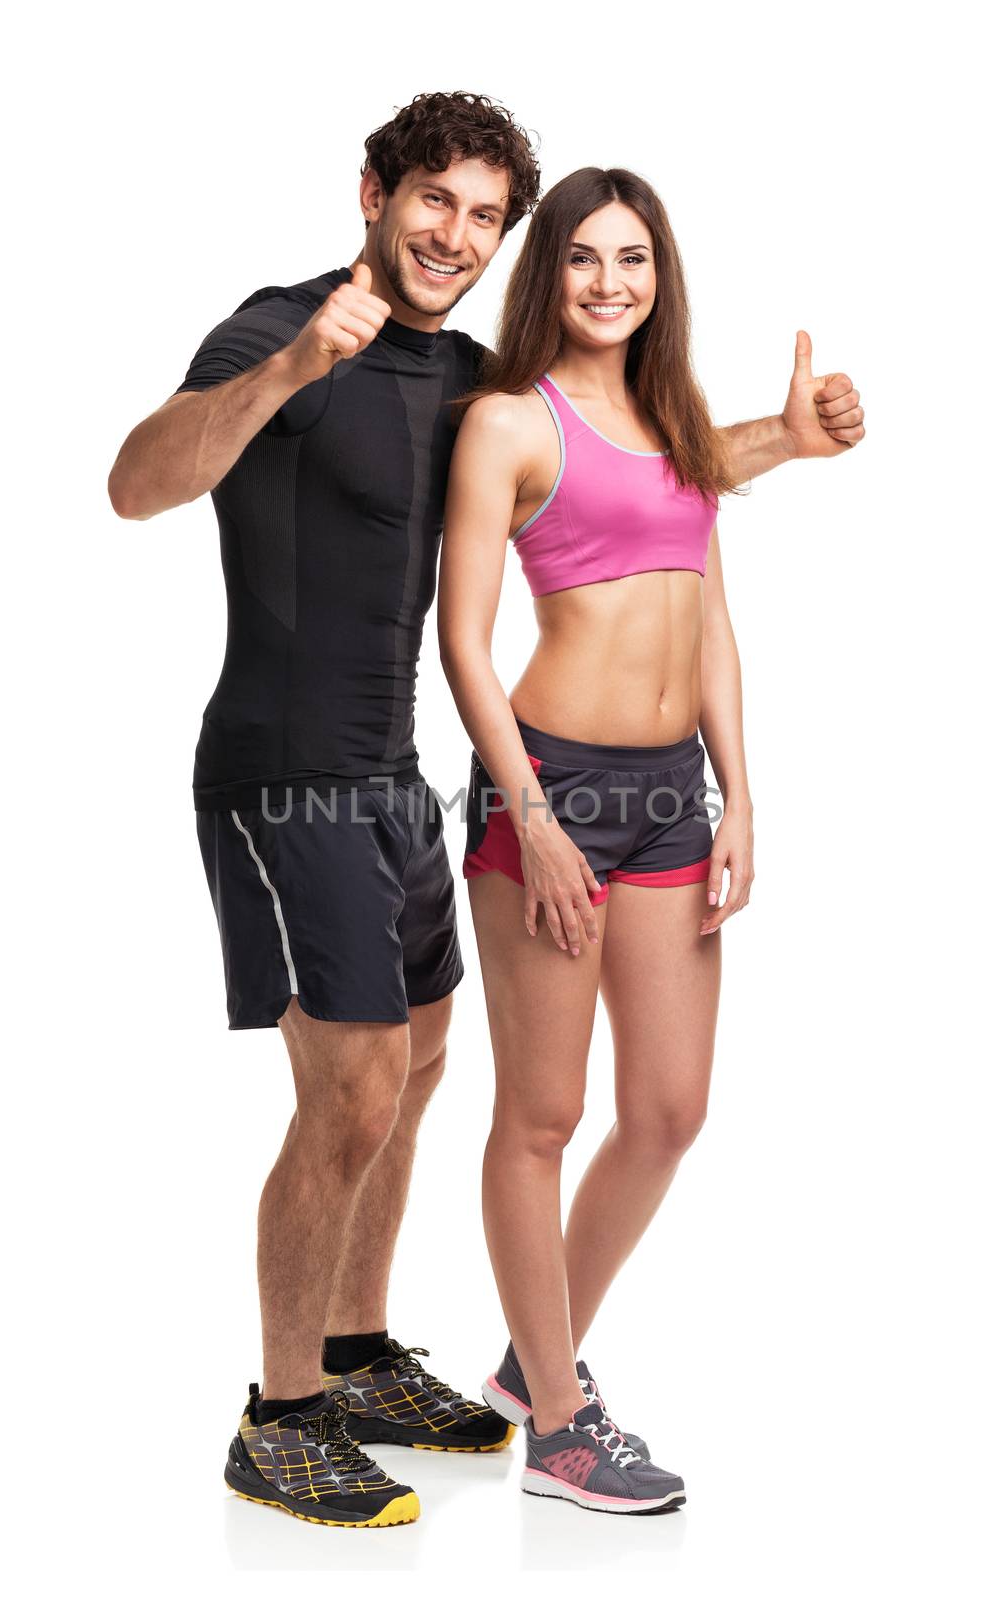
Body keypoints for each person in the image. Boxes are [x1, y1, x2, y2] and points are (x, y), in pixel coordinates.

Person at [108, 91, 864, 1530]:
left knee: (426, 1066)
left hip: (393, 774)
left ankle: (354, 1348)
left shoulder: (464, 380)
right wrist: (284, 374)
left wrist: (789, 433)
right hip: (284, 771)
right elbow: (135, 484)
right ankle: (279, 1419)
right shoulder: (279, 325)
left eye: (480, 216)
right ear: (372, 194)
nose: (452, 235)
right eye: (430, 202)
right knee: (353, 1085)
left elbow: (622, 467)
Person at [438, 165, 863, 1517]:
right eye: (581, 260)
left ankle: (532, 1358)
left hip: (673, 793)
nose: (608, 282)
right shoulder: (509, 419)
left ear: (657, 274)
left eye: (631, 259)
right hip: (548, 788)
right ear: (546, 272)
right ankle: (559, 1423)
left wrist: (740, 792)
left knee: (669, 1111)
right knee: (543, 1115)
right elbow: (461, 639)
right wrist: (535, 821)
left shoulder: (674, 419)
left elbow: (708, 617)